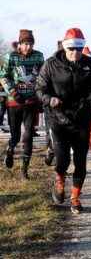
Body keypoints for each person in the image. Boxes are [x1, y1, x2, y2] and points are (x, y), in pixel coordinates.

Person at [36, 27, 91, 214]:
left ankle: (75, 198)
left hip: (81, 118)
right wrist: (50, 99)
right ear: (65, 47)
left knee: (80, 161)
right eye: (71, 48)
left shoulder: (90, 64)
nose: (75, 53)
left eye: (79, 49)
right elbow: (40, 89)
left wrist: (87, 102)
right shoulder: (51, 64)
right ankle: (59, 180)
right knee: (63, 159)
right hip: (57, 117)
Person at [0, 30, 44, 179]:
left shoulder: (39, 56)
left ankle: (24, 170)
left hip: (31, 102)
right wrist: (13, 92)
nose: (28, 47)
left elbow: (43, 76)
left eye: (30, 44)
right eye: (25, 44)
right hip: (14, 102)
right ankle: (10, 150)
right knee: (16, 135)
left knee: (28, 135)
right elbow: (3, 76)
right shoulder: (11, 57)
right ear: (19, 44)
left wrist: (42, 96)